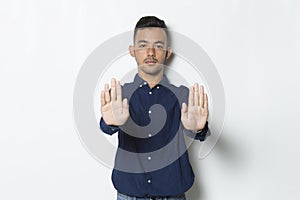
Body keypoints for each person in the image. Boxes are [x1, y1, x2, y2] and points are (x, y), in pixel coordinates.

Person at [100, 16, 210, 200]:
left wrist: (198, 129)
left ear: (167, 52)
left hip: (173, 194)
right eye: (143, 45)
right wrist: (111, 124)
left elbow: (200, 134)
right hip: (130, 194)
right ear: (132, 51)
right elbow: (105, 126)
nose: (150, 52)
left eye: (158, 46)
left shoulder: (183, 95)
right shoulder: (119, 94)